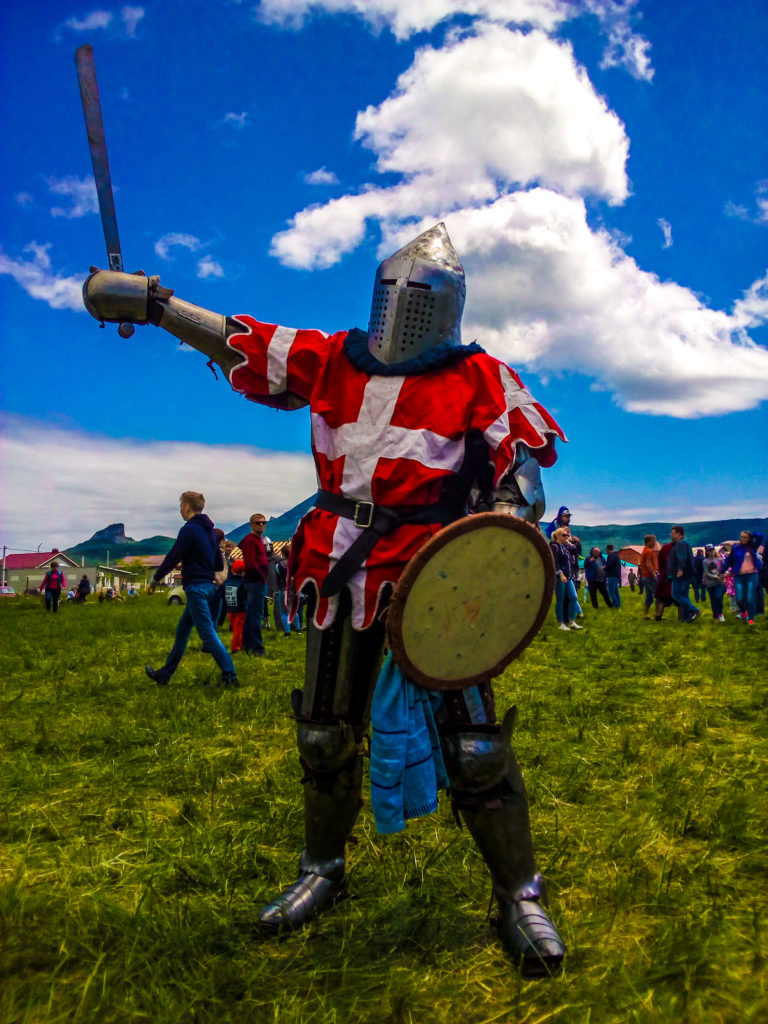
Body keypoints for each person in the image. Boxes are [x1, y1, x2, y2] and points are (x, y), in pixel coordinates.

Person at [83, 222, 567, 976]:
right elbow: (242, 340)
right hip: (337, 574)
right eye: (393, 294)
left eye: (419, 299)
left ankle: (520, 892)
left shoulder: (482, 378)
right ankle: (323, 870)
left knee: (476, 748)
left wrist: (499, 530)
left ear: (447, 308)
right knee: (322, 737)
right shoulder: (332, 359)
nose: (402, 308)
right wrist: (153, 302)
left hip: (435, 581)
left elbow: (523, 471)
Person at [145, 491, 239, 687]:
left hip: (195, 587)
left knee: (207, 633)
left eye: (181, 505)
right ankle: (165, 674)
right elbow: (217, 565)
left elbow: (174, 556)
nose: (180, 509)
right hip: (208, 586)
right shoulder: (210, 533)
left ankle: (230, 675)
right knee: (182, 631)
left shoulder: (189, 530)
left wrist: (155, 579)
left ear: (187, 507)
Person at [239, 513, 269, 655]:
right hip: (255, 582)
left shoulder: (258, 540)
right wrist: (262, 576)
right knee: (256, 615)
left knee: (251, 614)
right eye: (258, 523)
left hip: (256, 581)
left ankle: (246, 645)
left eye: (264, 522)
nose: (261, 525)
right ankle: (257, 648)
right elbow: (250, 564)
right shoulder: (250, 540)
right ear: (251, 524)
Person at [724, 530, 763, 625]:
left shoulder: (753, 546)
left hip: (751, 575)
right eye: (741, 537)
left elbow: (760, 536)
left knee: (750, 597)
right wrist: (722, 572)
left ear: (749, 538)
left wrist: (750, 534)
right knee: (739, 598)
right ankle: (744, 612)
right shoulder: (736, 548)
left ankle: (751, 618)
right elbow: (729, 561)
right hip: (739, 576)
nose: (743, 539)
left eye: (745, 537)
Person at [667, 526, 701, 623]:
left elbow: (682, 557)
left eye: (673, 533)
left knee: (676, 594)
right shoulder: (684, 543)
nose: (671, 534)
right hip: (687, 573)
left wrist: (680, 569)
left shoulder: (680, 544)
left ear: (679, 534)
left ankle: (694, 610)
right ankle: (685, 617)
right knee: (684, 595)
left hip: (681, 573)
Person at [550, 528, 582, 631]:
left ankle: (571, 621)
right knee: (560, 600)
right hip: (560, 576)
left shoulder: (563, 547)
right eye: (564, 535)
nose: (566, 537)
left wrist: (569, 542)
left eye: (567, 535)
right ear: (558, 536)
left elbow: (575, 551)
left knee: (573, 597)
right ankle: (561, 623)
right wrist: (560, 574)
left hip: (568, 576)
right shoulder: (554, 546)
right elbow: (555, 561)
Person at [224, 558, 248, 653]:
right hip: (241, 609)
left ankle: (239, 644)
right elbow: (245, 596)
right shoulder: (242, 582)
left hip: (230, 608)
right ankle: (235, 647)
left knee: (234, 628)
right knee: (239, 629)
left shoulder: (227, 581)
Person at [701, 545, 725, 621]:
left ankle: (720, 613)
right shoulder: (705, 561)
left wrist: (723, 576)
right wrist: (715, 576)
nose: (711, 552)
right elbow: (707, 572)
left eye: (712, 550)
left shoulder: (720, 560)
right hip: (710, 583)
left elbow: (724, 569)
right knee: (713, 599)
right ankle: (715, 615)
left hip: (719, 583)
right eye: (709, 550)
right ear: (707, 552)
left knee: (718, 597)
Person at [639, 535, 658, 620]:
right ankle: (658, 614)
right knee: (658, 595)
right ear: (648, 542)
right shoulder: (649, 551)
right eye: (653, 541)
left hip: (644, 576)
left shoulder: (644, 550)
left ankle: (645, 615)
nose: (655, 543)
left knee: (649, 596)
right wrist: (654, 575)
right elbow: (648, 565)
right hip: (649, 576)